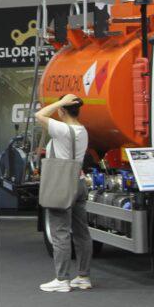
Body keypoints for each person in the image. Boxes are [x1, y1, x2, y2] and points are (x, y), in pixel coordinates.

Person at [35, 93, 92, 293]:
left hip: (61, 184)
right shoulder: (83, 131)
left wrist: (60, 101)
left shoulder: (61, 129)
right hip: (79, 182)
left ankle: (62, 279)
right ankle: (83, 277)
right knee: (82, 232)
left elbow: (39, 115)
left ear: (62, 110)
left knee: (60, 232)